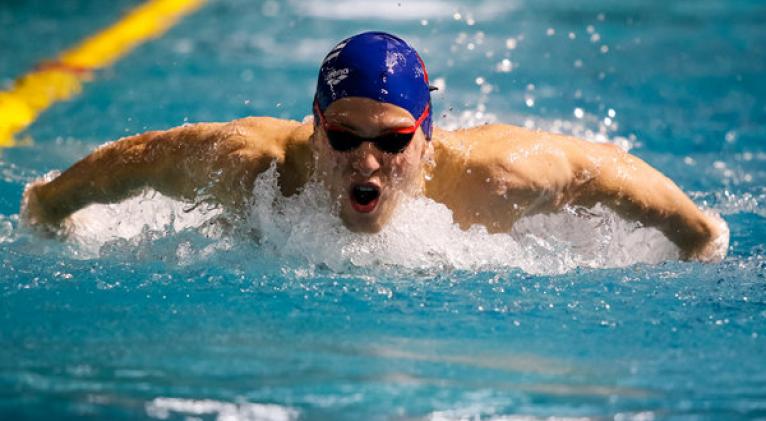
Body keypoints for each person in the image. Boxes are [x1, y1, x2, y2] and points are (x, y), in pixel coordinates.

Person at [21, 31, 727, 261]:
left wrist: (700, 237)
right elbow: (133, 162)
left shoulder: (495, 176)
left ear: (426, 136)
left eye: (392, 140)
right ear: (314, 125)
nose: (366, 160)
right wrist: (48, 208)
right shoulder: (253, 166)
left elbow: (608, 174)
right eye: (345, 136)